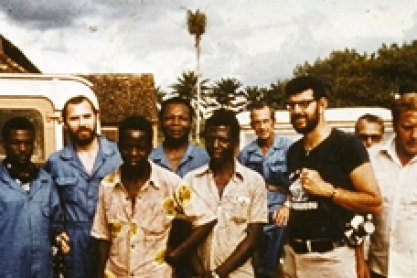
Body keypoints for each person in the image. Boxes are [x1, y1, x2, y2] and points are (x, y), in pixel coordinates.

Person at [282, 76, 382, 278]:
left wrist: (329, 191)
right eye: (291, 105)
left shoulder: (347, 145)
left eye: (304, 104)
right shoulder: (294, 151)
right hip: (295, 257)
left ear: (322, 104)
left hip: (331, 259)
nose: (297, 111)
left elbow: (374, 202)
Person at [91, 116, 216, 277]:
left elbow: (206, 219)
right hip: (115, 273)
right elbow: (102, 236)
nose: (133, 153)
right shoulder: (106, 186)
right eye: (127, 147)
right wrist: (100, 273)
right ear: (119, 147)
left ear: (150, 147)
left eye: (140, 148)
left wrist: (178, 253)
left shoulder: (169, 182)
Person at [179, 108, 268, 277]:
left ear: (234, 142)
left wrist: (218, 274)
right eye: (211, 139)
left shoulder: (253, 182)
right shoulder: (191, 180)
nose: (215, 145)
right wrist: (200, 272)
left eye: (222, 140)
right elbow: (185, 232)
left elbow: (254, 237)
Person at [44, 96, 122, 278]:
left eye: (87, 116)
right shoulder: (56, 162)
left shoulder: (119, 155)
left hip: (115, 238)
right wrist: (57, 232)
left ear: (97, 117)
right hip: (75, 243)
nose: (82, 123)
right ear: (65, 123)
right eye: (74, 118)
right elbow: (47, 203)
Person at [0, 117, 69, 278]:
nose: (22, 148)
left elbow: (56, 226)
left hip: (41, 271)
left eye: (27, 143)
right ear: (4, 145)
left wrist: (60, 239)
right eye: (16, 143)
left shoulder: (46, 182)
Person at [237, 101, 292, 278]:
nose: (262, 126)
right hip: (253, 209)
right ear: (252, 125)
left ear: (273, 122)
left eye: (266, 121)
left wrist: (288, 205)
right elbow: (238, 184)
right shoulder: (246, 154)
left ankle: (266, 274)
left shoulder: (289, 149)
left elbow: (298, 183)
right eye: (257, 122)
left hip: (279, 207)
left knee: (280, 225)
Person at [366, 92, 417, 278]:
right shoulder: (372, 158)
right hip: (378, 268)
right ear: (395, 126)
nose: (415, 135)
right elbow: (359, 214)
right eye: (407, 127)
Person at [149, 96, 210, 177]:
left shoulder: (206, 160)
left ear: (191, 122)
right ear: (161, 122)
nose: (176, 123)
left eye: (183, 119)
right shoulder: (149, 160)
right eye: (169, 118)